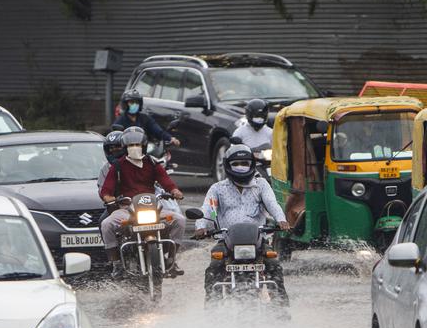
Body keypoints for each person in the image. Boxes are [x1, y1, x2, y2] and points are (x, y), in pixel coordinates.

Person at [194, 144, 292, 301]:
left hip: (258, 239)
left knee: (274, 266)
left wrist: (281, 220)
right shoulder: (217, 189)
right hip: (225, 240)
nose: (241, 167)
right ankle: (212, 309)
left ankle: (281, 308)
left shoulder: (261, 185)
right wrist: (201, 227)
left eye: (245, 163)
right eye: (236, 164)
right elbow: (207, 209)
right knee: (213, 270)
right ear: (227, 165)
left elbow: (272, 203)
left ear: (252, 164)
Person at [99, 127, 186, 278]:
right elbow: (106, 190)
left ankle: (171, 260)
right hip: (126, 210)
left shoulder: (152, 163)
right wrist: (108, 197)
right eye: (131, 146)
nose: (134, 148)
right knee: (106, 225)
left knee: (180, 220)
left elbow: (166, 181)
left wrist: (174, 191)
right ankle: (117, 264)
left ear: (144, 146)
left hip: (152, 208)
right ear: (125, 148)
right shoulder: (117, 166)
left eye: (137, 145)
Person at [111, 89, 180, 147]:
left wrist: (170, 138)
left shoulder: (145, 118)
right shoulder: (120, 120)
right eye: (131, 102)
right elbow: (115, 137)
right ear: (125, 104)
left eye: (136, 102)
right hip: (127, 152)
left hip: (145, 150)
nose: (135, 105)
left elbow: (158, 131)